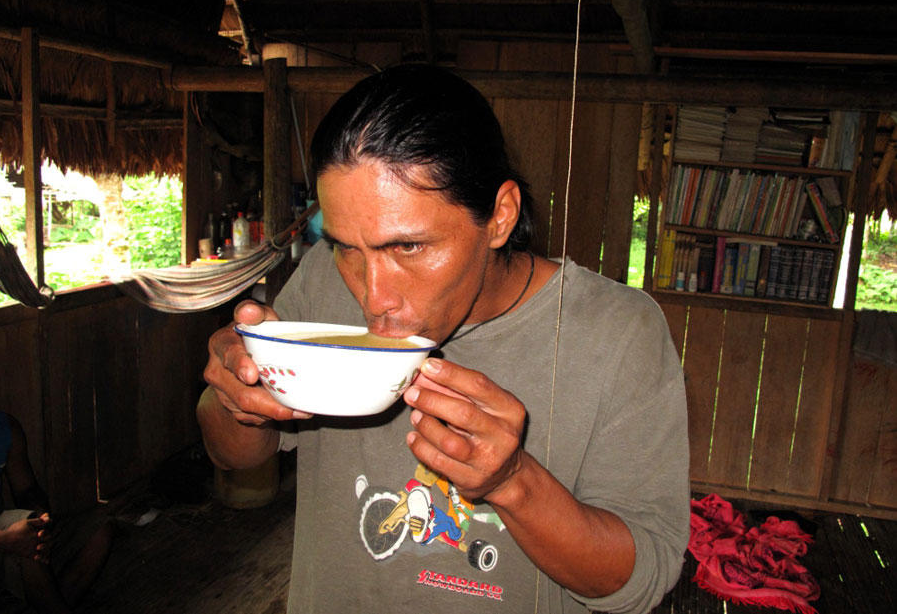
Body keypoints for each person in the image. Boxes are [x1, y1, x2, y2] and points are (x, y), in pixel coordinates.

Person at [198, 63, 690, 613]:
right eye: (346, 247)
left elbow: (638, 581)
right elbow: (234, 456)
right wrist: (236, 401)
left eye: (407, 247)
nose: (373, 296)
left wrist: (511, 482)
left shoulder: (619, 333)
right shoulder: (321, 280)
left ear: (500, 217)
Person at [0, 411, 114, 613]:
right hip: (3, 536)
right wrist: (5, 539)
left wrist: (43, 517)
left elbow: (26, 490)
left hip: (8, 533)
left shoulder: (5, 428)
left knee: (101, 531)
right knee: (28, 540)